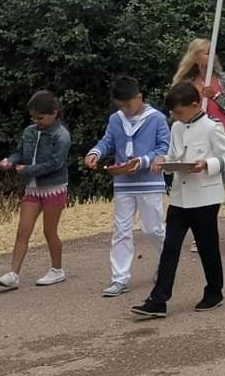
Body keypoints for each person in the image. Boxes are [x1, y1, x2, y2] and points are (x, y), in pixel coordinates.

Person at [131, 83, 225, 318]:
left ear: (195, 105)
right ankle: (158, 299)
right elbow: (173, 154)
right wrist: (162, 162)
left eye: (179, 111)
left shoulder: (212, 127)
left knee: (208, 247)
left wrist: (207, 164)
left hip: (205, 198)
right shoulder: (177, 127)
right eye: (174, 113)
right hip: (180, 197)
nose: (176, 117)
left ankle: (214, 291)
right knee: (170, 247)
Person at [84, 76, 170, 298]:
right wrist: (95, 152)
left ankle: (166, 265)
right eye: (120, 106)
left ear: (139, 97)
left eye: (128, 104)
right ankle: (119, 278)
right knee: (121, 230)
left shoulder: (157, 118)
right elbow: (107, 141)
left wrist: (142, 161)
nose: (125, 109)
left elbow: (164, 147)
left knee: (154, 228)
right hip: (123, 183)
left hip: (150, 181)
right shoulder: (116, 119)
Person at [0, 91, 71, 290]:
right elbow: (21, 152)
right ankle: (13, 274)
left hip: (54, 187)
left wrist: (29, 169)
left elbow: (55, 163)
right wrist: (10, 161)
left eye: (41, 118)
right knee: (22, 231)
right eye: (33, 118)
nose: (37, 121)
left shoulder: (61, 135)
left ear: (54, 113)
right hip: (33, 187)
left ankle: (57, 270)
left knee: (49, 231)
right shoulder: (29, 132)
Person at [172, 38, 225, 139]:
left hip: (221, 135)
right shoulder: (186, 83)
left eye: (214, 52)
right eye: (208, 53)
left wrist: (216, 96)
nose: (213, 56)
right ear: (196, 58)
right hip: (193, 136)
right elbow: (175, 111)